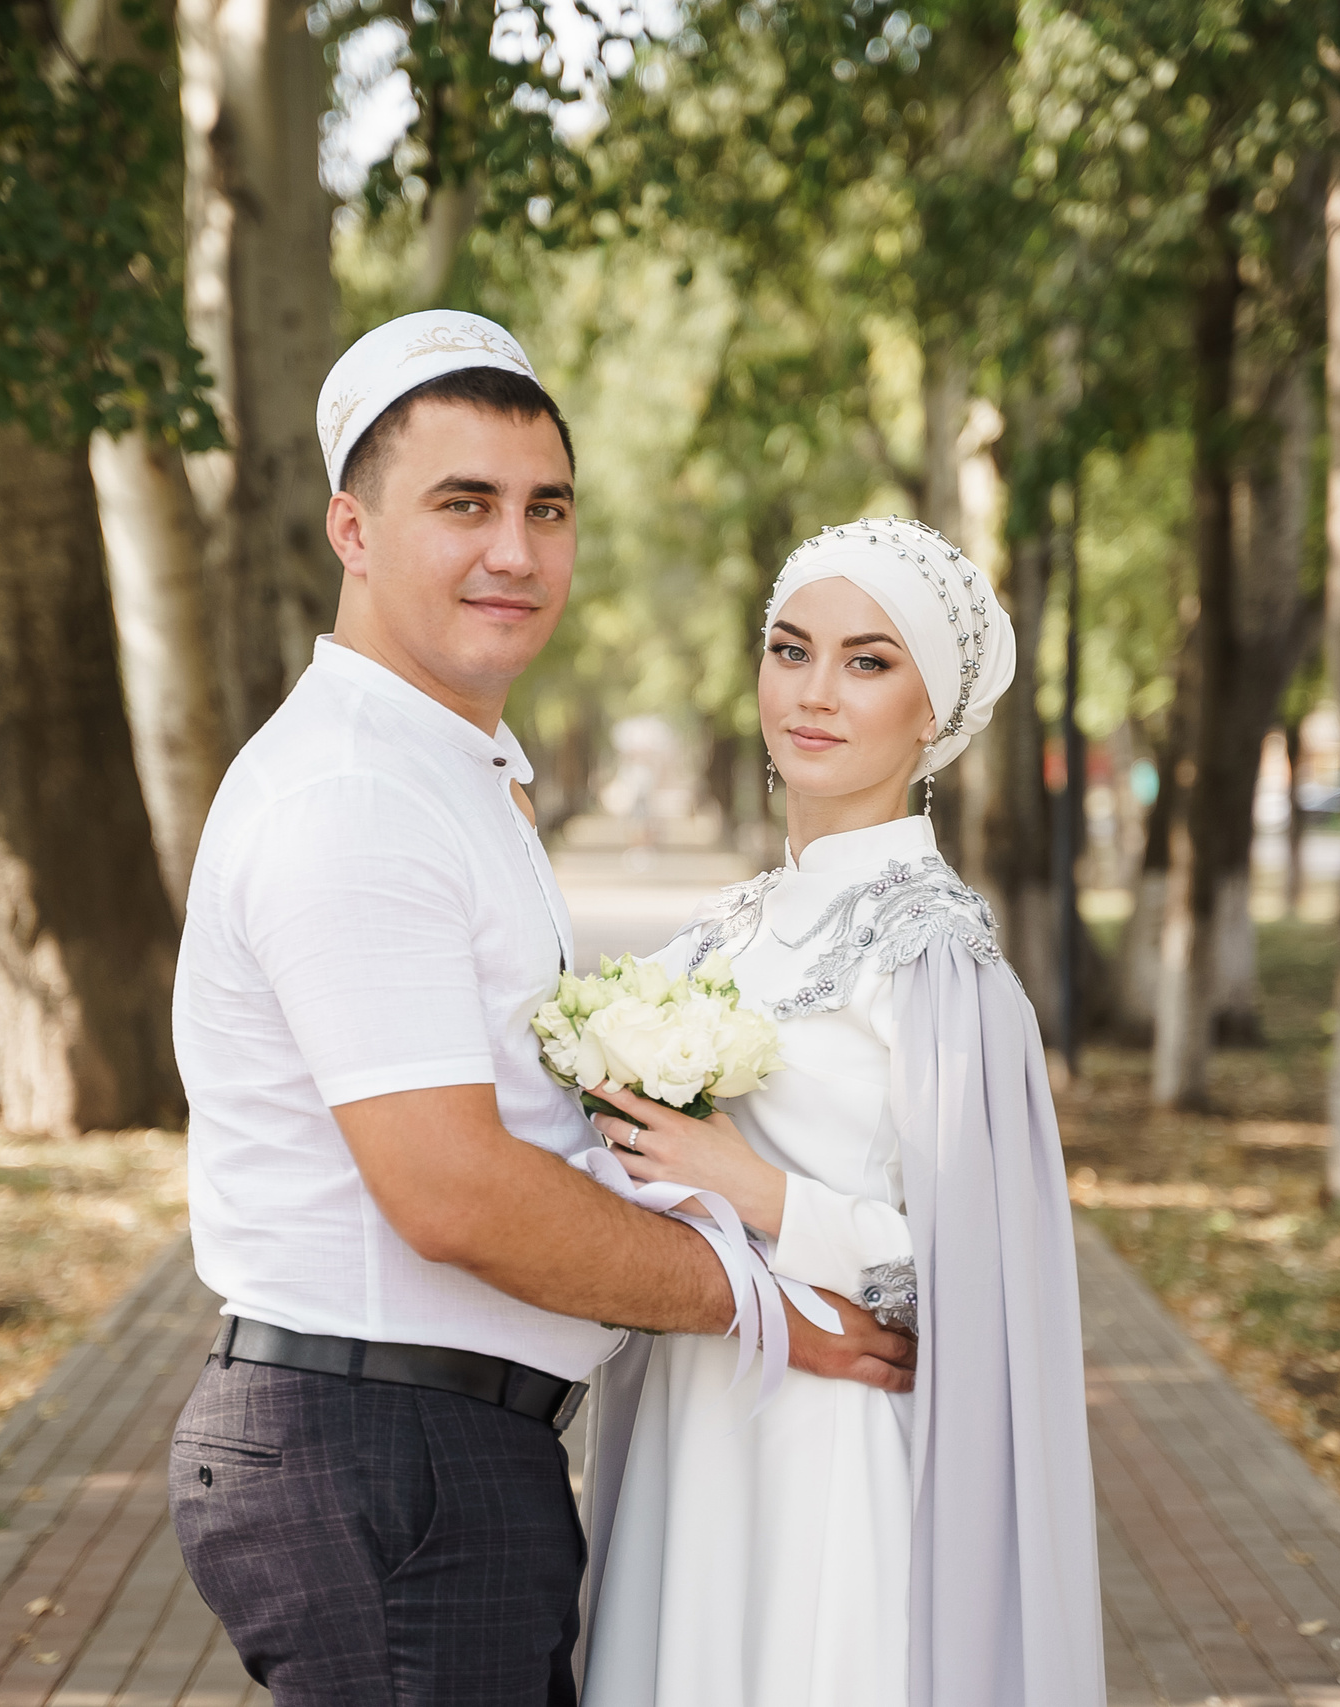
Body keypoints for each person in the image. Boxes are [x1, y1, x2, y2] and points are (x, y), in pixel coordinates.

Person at [163, 312, 916, 1707]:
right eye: (464, 504)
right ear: (354, 529)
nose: (514, 549)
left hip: (434, 1443)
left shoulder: (451, 767)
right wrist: (760, 1303)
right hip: (382, 1450)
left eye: (545, 507)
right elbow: (451, 1189)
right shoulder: (358, 795)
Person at [578, 518, 1106, 1707]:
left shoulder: (937, 958)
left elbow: (985, 1291)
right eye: (790, 649)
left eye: (868, 662)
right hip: (692, 1417)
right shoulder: (722, 930)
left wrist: (760, 1194)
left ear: (934, 714)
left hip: (828, 1440)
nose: (815, 693)